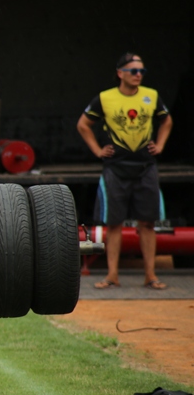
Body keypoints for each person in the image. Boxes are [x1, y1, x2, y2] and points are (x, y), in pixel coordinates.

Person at [77, 52, 173, 290]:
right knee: (114, 224)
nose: (138, 75)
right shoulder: (105, 98)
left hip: (146, 167)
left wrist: (160, 145)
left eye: (142, 71)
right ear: (120, 73)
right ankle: (112, 275)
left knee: (147, 223)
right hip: (115, 168)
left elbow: (167, 121)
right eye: (134, 71)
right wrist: (98, 150)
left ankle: (150, 275)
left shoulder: (151, 96)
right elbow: (83, 124)